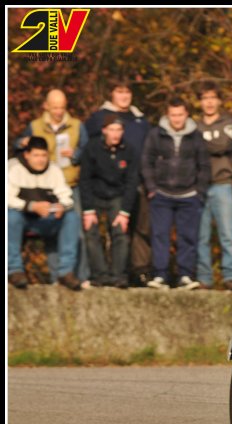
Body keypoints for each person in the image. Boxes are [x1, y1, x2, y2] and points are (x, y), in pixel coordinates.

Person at [17, 89, 89, 286]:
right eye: (55, 107)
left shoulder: (77, 126)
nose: (59, 111)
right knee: (50, 234)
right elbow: (18, 147)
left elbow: (89, 152)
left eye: (62, 107)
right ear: (46, 106)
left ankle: (81, 277)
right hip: (43, 188)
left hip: (70, 185)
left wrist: (75, 154)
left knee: (76, 231)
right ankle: (57, 278)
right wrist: (22, 143)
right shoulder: (35, 126)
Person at [86, 79, 151, 287]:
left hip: (134, 183)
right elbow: (87, 153)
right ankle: (100, 274)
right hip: (102, 187)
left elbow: (149, 150)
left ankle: (133, 273)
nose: (124, 96)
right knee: (99, 231)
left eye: (127, 92)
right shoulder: (97, 118)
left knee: (136, 230)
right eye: (119, 91)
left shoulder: (140, 120)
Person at [141, 96, 211, 290]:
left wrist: (199, 192)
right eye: (173, 115)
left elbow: (204, 166)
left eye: (180, 115)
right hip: (161, 195)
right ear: (167, 115)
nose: (177, 119)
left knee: (188, 237)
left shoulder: (196, 136)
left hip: (189, 195)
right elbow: (146, 161)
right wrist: (152, 188)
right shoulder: (156, 134)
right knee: (160, 235)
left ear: (186, 114)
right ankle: (160, 275)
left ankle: (185, 275)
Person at [7, 137, 81, 291]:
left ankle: (66, 272)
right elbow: (8, 198)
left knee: (71, 218)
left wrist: (61, 206)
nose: (40, 160)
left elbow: (66, 196)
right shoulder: (13, 168)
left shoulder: (54, 170)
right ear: (27, 155)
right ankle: (14, 270)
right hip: (24, 219)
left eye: (44, 155)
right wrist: (32, 206)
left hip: (48, 219)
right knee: (11, 217)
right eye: (36, 155)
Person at [79, 114, 139, 288]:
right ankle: (100, 275)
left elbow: (131, 182)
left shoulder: (129, 150)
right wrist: (88, 210)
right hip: (95, 195)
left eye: (119, 130)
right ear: (104, 130)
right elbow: (85, 179)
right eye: (112, 129)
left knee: (120, 233)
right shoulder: (92, 148)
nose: (115, 134)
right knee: (91, 233)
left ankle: (119, 275)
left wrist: (125, 212)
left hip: (117, 196)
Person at [194, 81, 232, 291]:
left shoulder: (228, 123)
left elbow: (222, 145)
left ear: (219, 101)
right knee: (201, 235)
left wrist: (199, 143)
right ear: (200, 102)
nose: (209, 102)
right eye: (205, 98)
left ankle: (231, 275)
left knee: (228, 234)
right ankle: (204, 277)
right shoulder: (194, 125)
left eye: (213, 97)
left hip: (223, 184)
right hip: (199, 186)